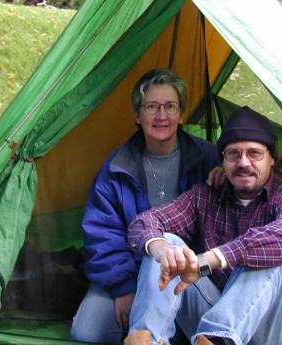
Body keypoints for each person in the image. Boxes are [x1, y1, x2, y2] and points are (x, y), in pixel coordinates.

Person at [124, 106, 282, 345]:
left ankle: (217, 339)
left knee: (268, 255)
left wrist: (207, 261)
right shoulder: (205, 196)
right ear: (223, 160)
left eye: (255, 153)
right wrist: (161, 249)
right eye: (233, 154)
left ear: (272, 158)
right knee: (169, 246)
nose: (243, 163)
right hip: (215, 318)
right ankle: (146, 338)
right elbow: (143, 223)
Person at [70, 68, 223, 344]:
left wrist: (226, 174)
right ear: (137, 116)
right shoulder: (118, 167)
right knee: (87, 332)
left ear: (182, 114)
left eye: (170, 106)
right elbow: (102, 232)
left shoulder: (208, 158)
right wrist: (124, 288)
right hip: (131, 267)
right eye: (151, 106)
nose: (161, 116)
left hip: (188, 271)